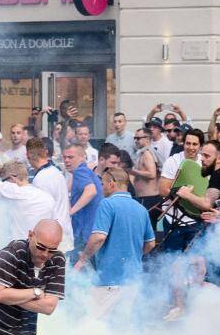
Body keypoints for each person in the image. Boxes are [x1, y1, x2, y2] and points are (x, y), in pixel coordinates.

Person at [74, 168, 157, 317]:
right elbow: (150, 244)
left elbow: (99, 237)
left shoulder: (107, 204)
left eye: (102, 183)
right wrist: (133, 253)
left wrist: (83, 258)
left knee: (95, 323)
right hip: (133, 281)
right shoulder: (141, 209)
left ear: (112, 183)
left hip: (109, 280)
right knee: (123, 326)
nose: (101, 188)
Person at [159, 128, 206, 251]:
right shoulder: (172, 161)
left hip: (196, 221)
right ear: (183, 144)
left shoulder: (205, 163)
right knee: (172, 262)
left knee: (195, 262)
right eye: (188, 143)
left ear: (200, 146)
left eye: (195, 144)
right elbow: (163, 190)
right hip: (173, 221)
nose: (191, 147)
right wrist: (182, 194)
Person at [0, 161, 54, 240]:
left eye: (4, 181)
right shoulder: (47, 197)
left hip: (21, 247)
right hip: (41, 246)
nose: (4, 183)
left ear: (12, 178)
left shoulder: (15, 191)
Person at [28, 138, 74, 253]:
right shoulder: (56, 172)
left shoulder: (41, 179)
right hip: (65, 234)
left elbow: (42, 212)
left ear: (28, 155)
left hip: (53, 240)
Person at [64, 142, 103, 264]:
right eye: (64, 157)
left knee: (80, 272)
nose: (66, 161)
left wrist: (69, 212)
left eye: (70, 157)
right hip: (90, 232)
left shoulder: (81, 172)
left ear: (82, 157)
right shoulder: (83, 171)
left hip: (84, 233)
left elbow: (91, 191)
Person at [131, 128, 163, 223]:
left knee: (148, 231)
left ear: (147, 139)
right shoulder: (142, 153)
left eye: (138, 138)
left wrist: (133, 172)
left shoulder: (147, 154)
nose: (136, 140)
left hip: (149, 199)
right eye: (135, 138)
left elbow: (152, 174)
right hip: (145, 198)